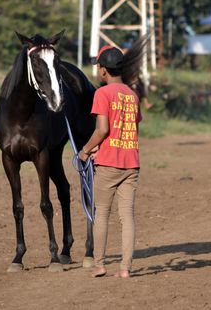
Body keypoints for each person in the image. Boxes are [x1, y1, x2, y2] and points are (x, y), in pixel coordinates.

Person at [79, 44, 143, 278]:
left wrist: (86, 150)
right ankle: (125, 268)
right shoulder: (132, 95)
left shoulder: (102, 94)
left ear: (103, 70)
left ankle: (100, 264)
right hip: (131, 162)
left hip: (108, 165)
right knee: (127, 216)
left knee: (102, 213)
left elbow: (103, 129)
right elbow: (131, 126)